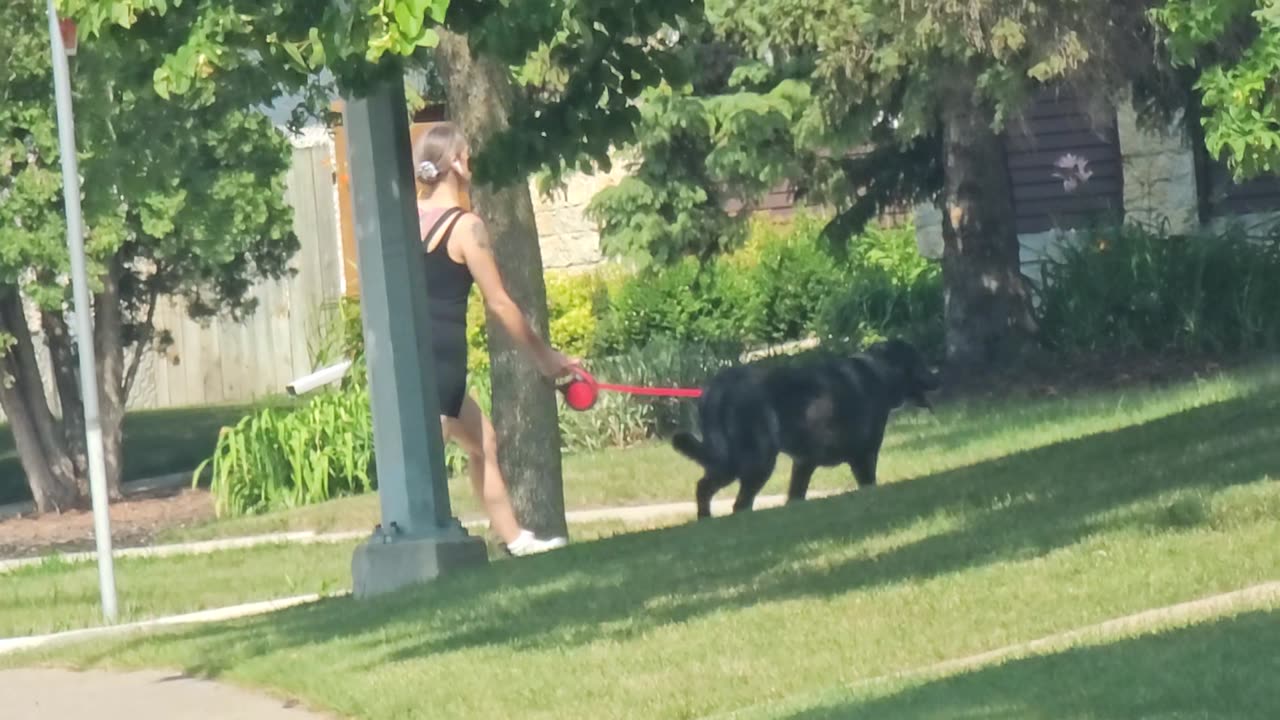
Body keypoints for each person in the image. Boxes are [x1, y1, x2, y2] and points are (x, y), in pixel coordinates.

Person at [412, 122, 573, 556]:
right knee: (423, 469)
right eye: (468, 154)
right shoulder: (467, 227)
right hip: (443, 359)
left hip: (412, 357)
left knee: (483, 442)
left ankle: (517, 540)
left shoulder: (406, 220)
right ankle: (419, 553)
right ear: (458, 164)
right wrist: (545, 357)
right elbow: (500, 303)